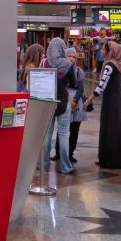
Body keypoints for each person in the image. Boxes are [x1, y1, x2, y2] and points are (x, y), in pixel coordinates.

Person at [84, 40, 121, 170]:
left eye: (103, 49)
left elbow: (101, 86)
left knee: (109, 129)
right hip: (116, 102)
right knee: (115, 130)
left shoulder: (109, 65)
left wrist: (89, 99)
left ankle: (109, 160)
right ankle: (114, 159)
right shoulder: (118, 64)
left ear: (110, 52)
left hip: (111, 103)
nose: (101, 51)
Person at [43, 38, 76, 174]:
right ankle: (65, 167)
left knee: (47, 135)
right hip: (63, 102)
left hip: (47, 103)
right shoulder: (67, 64)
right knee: (63, 135)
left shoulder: (45, 62)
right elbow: (74, 83)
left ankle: (44, 165)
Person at [54, 47, 86, 165]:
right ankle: (58, 153)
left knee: (74, 129)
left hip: (76, 102)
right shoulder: (60, 71)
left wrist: (75, 101)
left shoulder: (79, 71)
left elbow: (81, 88)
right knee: (62, 129)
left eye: (74, 57)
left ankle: (70, 153)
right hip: (64, 100)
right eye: (69, 56)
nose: (72, 59)